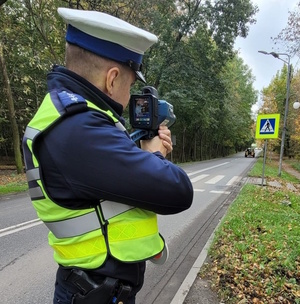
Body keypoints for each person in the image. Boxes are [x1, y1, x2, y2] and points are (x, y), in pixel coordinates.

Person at [22, 7, 193, 304]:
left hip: (95, 289)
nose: (130, 98)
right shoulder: (78, 129)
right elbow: (177, 191)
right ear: (112, 79)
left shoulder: (73, 117)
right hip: (94, 293)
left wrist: (144, 153)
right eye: (130, 84)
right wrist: (154, 155)